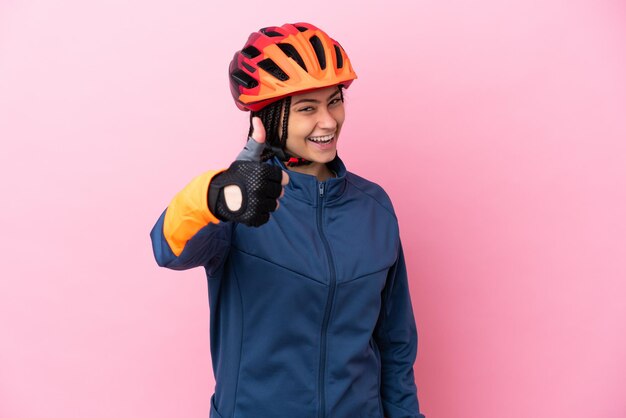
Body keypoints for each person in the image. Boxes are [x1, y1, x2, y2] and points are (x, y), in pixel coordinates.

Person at [150, 22, 426, 418]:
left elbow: (395, 343)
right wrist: (214, 195)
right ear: (270, 118)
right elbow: (166, 249)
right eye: (307, 109)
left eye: (334, 101)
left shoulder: (374, 207)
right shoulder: (237, 208)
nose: (328, 121)